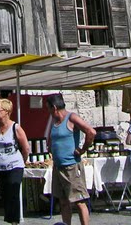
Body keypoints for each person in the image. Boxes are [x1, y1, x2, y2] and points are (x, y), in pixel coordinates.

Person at [45, 94, 95, 225]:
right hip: (58, 167)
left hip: (71, 166)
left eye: (49, 108)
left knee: (79, 201)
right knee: (63, 201)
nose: (48, 112)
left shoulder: (71, 118)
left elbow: (91, 132)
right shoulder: (55, 122)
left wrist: (82, 149)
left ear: (54, 107)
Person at [0, 98, 29, 225]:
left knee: (13, 192)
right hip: (0, 167)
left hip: (15, 166)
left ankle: (15, 221)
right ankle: (9, 220)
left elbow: (25, 147)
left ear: (7, 111)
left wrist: (22, 161)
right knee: (5, 195)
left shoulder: (15, 128)